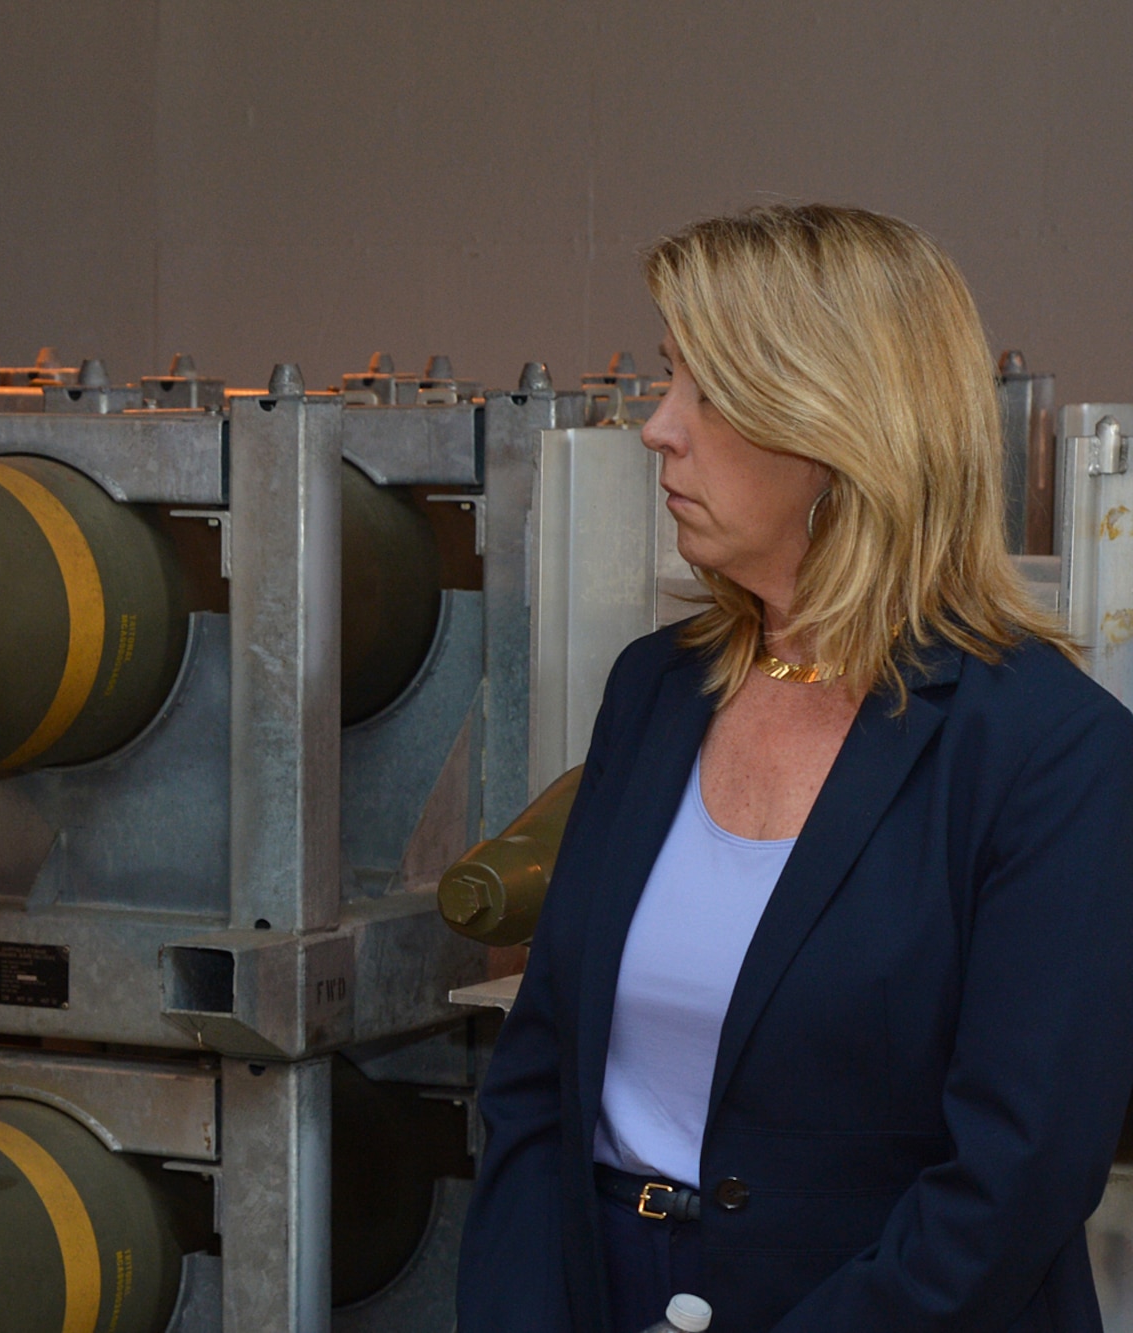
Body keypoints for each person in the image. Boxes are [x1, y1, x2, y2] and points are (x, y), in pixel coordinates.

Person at [455, 205, 1133, 1331]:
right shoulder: (655, 691)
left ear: (841, 428)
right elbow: (538, 1076)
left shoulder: (1047, 754)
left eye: (703, 392)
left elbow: (1011, 1181)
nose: (655, 429)